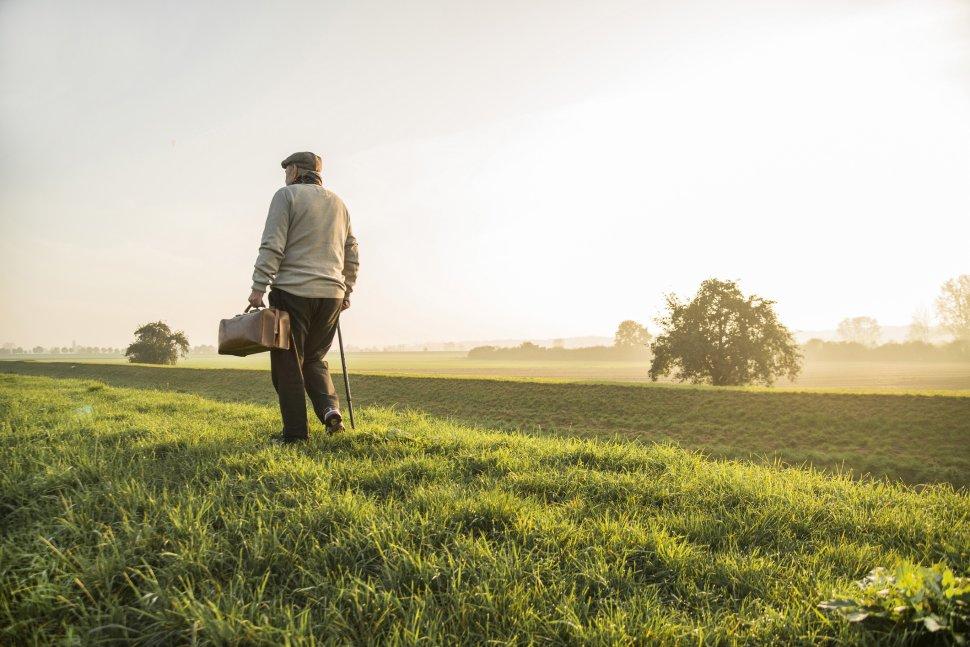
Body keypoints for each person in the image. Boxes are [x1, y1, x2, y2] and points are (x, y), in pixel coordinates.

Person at [248, 151, 359, 443]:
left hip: (293, 291)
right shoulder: (339, 203)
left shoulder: (286, 196)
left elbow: (272, 244)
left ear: (296, 171)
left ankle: (295, 435)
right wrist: (347, 289)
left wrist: (259, 286)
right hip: (332, 295)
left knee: (288, 364)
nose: (285, 176)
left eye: (287, 170)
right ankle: (330, 411)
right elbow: (351, 251)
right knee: (314, 359)